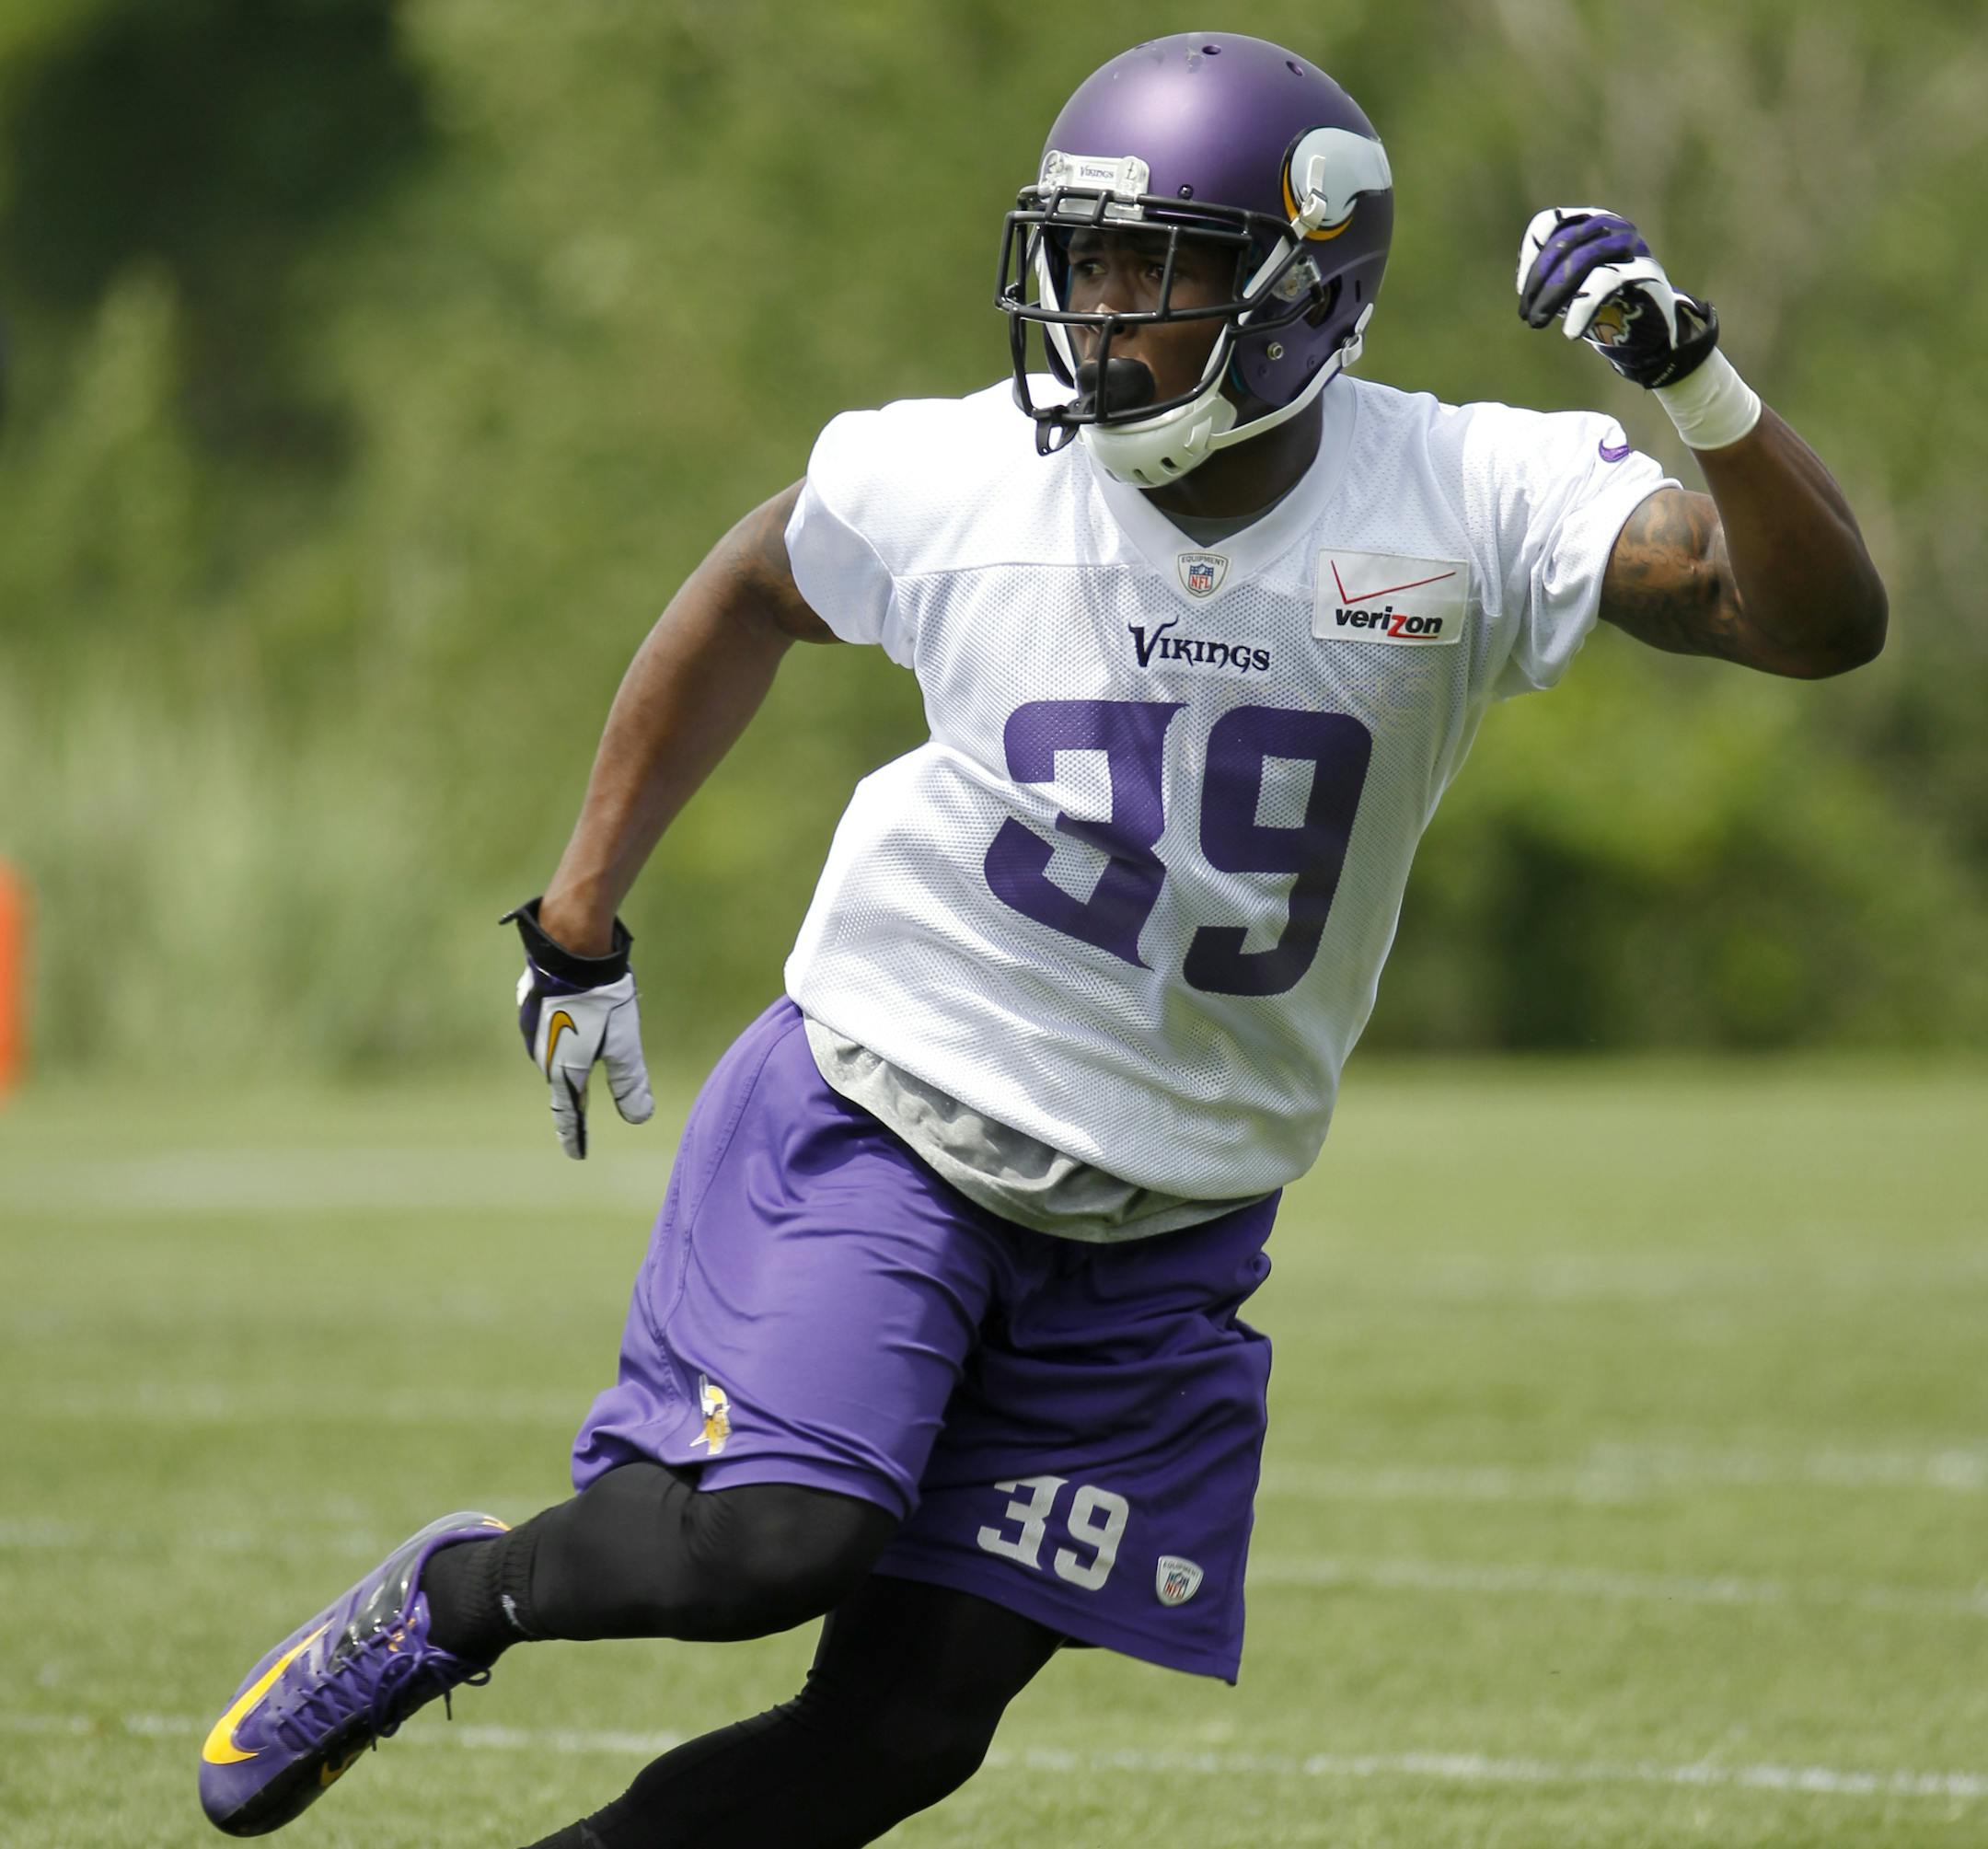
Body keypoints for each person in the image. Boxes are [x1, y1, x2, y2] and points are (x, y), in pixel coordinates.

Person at [195, 32, 1886, 1847]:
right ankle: (455, 1598)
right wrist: (584, 909)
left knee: (913, 1733)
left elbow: (1808, 622)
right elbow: (751, 585)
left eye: (1146, 267)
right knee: (772, 1542)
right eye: (1076, 261)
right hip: (895, 1108)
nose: (1092, 315)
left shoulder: (1468, 493)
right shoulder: (966, 474)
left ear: (1301, 289)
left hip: (1172, 1213)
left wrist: (1691, 384)